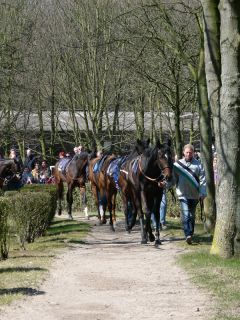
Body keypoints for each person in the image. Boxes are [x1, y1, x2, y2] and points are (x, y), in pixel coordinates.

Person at [173, 144, 207, 244]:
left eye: (190, 152)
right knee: (186, 214)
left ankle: (190, 234)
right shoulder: (177, 164)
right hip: (182, 194)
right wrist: (165, 184)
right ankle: (187, 234)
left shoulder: (198, 164)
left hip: (195, 195)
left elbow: (203, 180)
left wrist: (203, 192)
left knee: (191, 216)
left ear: (193, 153)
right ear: (183, 152)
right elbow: (173, 179)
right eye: (187, 152)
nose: (188, 154)